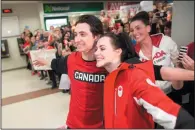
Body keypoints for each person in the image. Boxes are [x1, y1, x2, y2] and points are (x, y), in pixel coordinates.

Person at [94, 32, 194, 129]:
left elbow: (167, 110)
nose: (96, 53)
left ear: (118, 51)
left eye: (102, 49)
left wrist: (185, 123)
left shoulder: (133, 76)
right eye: (96, 49)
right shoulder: (109, 79)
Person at [34, 15, 106, 129]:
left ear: (96, 36)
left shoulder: (108, 63)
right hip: (73, 124)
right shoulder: (71, 59)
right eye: (76, 34)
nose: (77, 40)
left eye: (82, 34)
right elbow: (55, 63)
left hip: (101, 125)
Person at [130, 11, 179, 94]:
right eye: (132, 30)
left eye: (138, 28)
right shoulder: (133, 53)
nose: (134, 33)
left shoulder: (165, 41)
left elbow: (178, 65)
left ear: (148, 28)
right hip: (149, 98)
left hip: (172, 93)